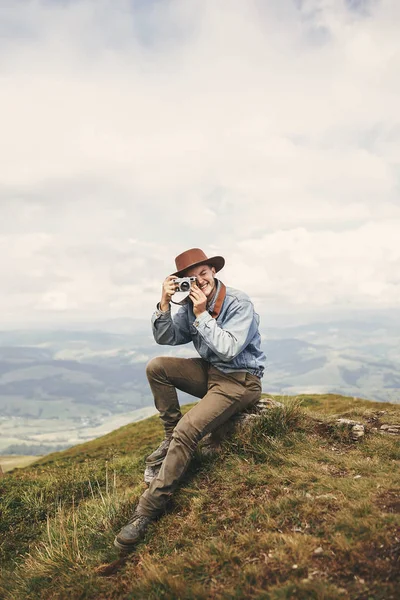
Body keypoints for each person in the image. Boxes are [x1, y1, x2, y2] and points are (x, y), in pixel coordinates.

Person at [114, 248, 266, 552]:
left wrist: (201, 316)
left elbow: (229, 349)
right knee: (157, 366)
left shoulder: (238, 303)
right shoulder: (190, 300)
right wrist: (165, 303)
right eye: (190, 279)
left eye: (203, 274)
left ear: (213, 271)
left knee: (189, 429)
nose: (199, 282)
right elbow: (166, 338)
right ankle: (171, 438)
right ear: (183, 281)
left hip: (240, 380)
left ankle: (147, 511)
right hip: (211, 373)